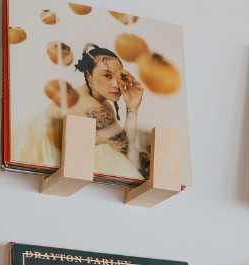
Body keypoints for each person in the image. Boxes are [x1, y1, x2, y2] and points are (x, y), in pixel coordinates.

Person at [12, 44, 148, 181]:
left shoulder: (103, 103)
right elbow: (128, 153)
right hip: (45, 159)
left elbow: (126, 146)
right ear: (89, 76)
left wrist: (132, 107)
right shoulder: (89, 106)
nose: (115, 84)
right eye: (107, 75)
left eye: (119, 76)